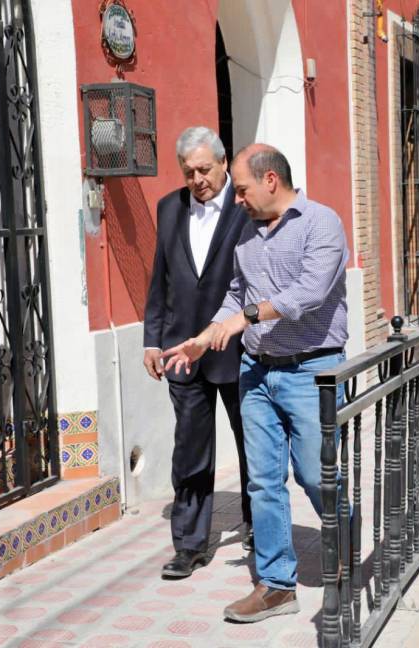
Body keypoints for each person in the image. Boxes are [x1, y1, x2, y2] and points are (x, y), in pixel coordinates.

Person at [163, 143, 349, 622]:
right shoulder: (245, 233)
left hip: (313, 371)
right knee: (264, 482)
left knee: (315, 474)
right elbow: (235, 294)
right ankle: (276, 585)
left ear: (271, 180)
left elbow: (308, 293)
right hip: (257, 371)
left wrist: (242, 318)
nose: (237, 199)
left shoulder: (320, 222)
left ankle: (344, 551)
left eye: (242, 188)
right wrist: (204, 339)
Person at [143, 127, 252, 580]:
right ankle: (189, 544)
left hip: (237, 347)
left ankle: (258, 528)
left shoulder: (247, 207)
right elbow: (160, 278)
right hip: (183, 351)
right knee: (190, 450)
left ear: (224, 163)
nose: (197, 179)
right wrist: (152, 338)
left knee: (253, 445)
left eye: (205, 169)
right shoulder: (170, 207)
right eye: (189, 171)